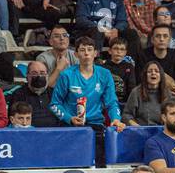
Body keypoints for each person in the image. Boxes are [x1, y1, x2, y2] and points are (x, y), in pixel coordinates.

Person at [50, 36, 125, 165]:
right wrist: (69, 118)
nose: (86, 53)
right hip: (71, 126)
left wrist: (115, 118)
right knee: (71, 164)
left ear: (95, 53)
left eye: (90, 49)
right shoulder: (66, 75)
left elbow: (111, 102)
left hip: (95, 126)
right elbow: (55, 104)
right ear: (76, 54)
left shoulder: (105, 74)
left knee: (99, 164)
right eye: (82, 50)